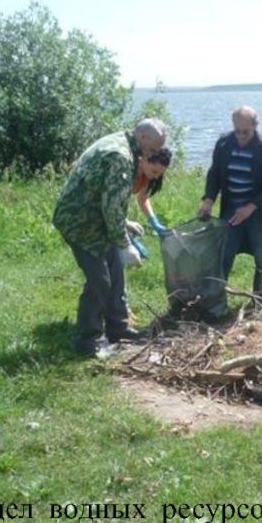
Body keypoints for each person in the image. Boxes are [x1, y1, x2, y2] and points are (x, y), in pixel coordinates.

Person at [53, 118, 168, 359]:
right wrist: (126, 244)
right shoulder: (120, 156)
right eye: (155, 147)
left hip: (94, 215)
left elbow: (107, 196)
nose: (156, 153)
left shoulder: (123, 143)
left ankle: (118, 327)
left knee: (115, 270)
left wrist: (123, 225)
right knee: (100, 280)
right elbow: (112, 207)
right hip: (80, 220)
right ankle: (89, 339)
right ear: (144, 137)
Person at [197, 106, 262, 302]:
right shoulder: (224, 144)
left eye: (245, 132)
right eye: (237, 131)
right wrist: (209, 199)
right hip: (231, 209)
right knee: (223, 254)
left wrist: (250, 208)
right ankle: (214, 302)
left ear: (256, 125)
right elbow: (215, 174)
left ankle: (261, 301)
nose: (240, 136)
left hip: (258, 212)